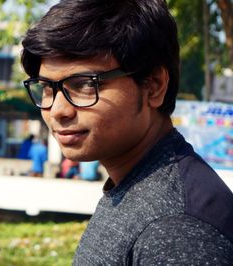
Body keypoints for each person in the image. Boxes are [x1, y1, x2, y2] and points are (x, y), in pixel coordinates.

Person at [21, 0, 233, 264]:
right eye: (47, 87)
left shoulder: (176, 229)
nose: (58, 110)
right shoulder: (135, 184)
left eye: (85, 84)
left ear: (153, 86)